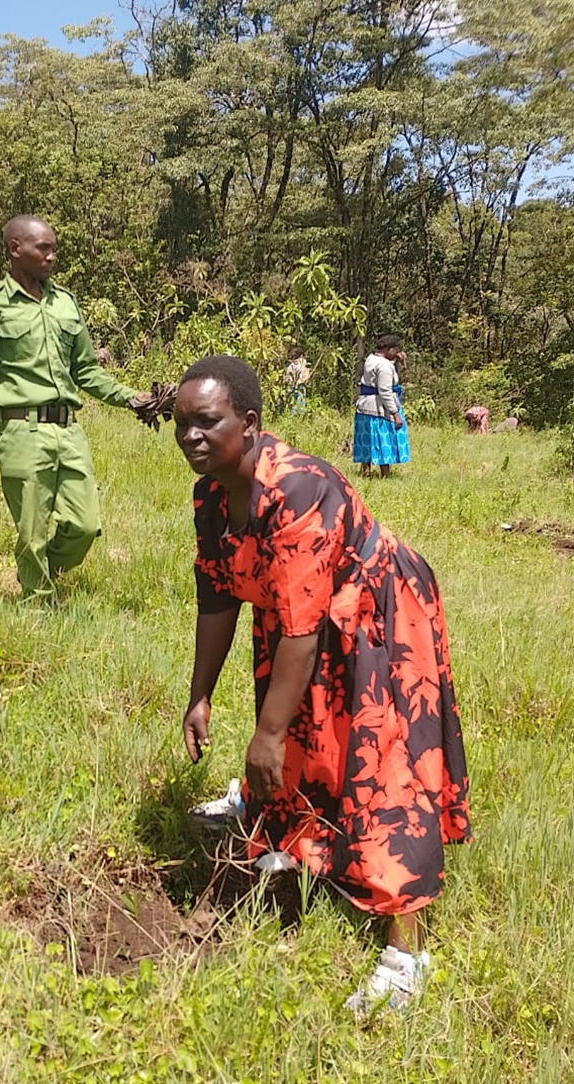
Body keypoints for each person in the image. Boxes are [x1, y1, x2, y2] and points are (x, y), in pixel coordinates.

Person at [175, 356, 471, 1014]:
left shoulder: (297, 488)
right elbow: (217, 598)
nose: (192, 436)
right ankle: (299, 849)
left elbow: (303, 630)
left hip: (376, 612)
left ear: (249, 423)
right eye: (182, 423)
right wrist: (200, 695)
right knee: (303, 739)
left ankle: (405, 955)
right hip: (300, 622)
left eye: (208, 422)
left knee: (383, 765)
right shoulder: (211, 496)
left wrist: (266, 734)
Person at [0, 215, 152, 598]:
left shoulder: (64, 303)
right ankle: (36, 610)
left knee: (84, 525)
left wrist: (130, 397)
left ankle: (40, 571)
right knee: (31, 534)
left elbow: (87, 371)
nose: (51, 256)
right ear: (16, 249)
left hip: (68, 431)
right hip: (21, 432)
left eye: (53, 249)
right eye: (43, 248)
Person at [353, 334, 410, 478]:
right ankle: (385, 475)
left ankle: (366, 473)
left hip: (364, 406)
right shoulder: (384, 366)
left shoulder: (371, 359)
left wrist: (397, 362)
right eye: (395, 350)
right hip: (378, 409)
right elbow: (385, 391)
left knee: (367, 441)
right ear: (388, 349)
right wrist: (395, 413)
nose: (397, 353)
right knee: (383, 441)